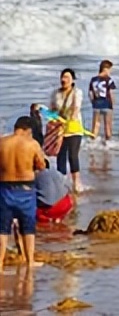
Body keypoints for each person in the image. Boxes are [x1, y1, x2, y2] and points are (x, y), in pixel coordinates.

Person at [0, 116, 47, 274]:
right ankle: (30, 261)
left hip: (5, 188)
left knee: (3, 229)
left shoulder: (2, 142)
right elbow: (41, 166)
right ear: (27, 130)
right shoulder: (32, 144)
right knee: (28, 227)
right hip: (26, 189)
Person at [49, 68, 87, 193]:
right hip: (60, 129)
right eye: (63, 77)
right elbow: (52, 110)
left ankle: (77, 183)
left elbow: (76, 107)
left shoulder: (77, 92)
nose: (64, 80)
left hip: (74, 128)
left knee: (72, 155)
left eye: (67, 77)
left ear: (72, 80)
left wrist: (71, 117)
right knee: (60, 156)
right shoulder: (56, 93)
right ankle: (62, 183)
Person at [34, 159, 72, 225]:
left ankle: (48, 220)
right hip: (65, 205)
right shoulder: (56, 172)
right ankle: (58, 219)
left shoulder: (36, 175)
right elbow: (69, 186)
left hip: (50, 210)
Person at [88, 60, 117, 142]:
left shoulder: (93, 80)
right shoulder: (109, 80)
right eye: (110, 69)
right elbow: (111, 93)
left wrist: (93, 102)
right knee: (108, 126)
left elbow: (90, 94)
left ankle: (92, 142)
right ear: (105, 69)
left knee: (95, 125)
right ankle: (108, 143)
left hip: (96, 104)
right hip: (107, 104)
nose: (110, 72)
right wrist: (113, 104)